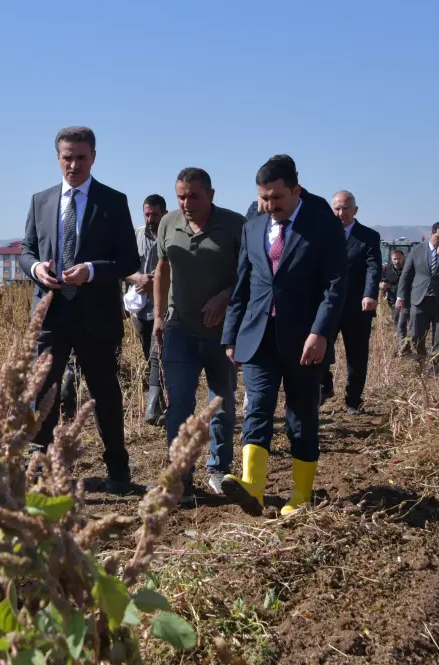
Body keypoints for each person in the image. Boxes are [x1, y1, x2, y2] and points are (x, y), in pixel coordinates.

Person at [19, 126, 142, 495]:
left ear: (94, 157)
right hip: (50, 315)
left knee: (104, 393)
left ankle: (117, 469)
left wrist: (90, 271)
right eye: (67, 157)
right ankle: (40, 467)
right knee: (43, 393)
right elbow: (26, 250)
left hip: (96, 317)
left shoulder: (113, 201)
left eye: (81, 157)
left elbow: (128, 259)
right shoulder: (41, 200)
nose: (73, 164)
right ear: (57, 157)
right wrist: (36, 268)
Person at [221, 155, 345, 517]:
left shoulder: (322, 226)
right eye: (264, 198)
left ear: (296, 189)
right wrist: (231, 335)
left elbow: (335, 286)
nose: (270, 206)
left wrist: (320, 333)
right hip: (259, 335)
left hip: (305, 341)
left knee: (301, 416)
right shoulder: (253, 227)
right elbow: (242, 285)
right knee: (257, 407)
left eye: (277, 198)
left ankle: (301, 496)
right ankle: (253, 488)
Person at [152, 168, 244, 500]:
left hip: (222, 335)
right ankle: (180, 477)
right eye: (181, 196)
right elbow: (161, 270)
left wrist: (226, 296)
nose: (186, 202)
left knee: (221, 404)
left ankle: (219, 470)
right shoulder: (168, 223)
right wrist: (159, 317)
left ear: (211, 194)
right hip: (179, 329)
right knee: (178, 406)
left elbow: (251, 274)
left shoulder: (234, 225)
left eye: (194, 195)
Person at [324, 191, 382, 414]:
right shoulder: (324, 235)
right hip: (328, 304)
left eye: (345, 208)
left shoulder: (368, 236)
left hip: (357, 306)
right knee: (320, 347)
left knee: (356, 355)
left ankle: (353, 400)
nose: (341, 213)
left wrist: (370, 294)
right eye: (337, 208)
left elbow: (373, 267)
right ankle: (324, 385)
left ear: (355, 210)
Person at [396, 222, 439, 373]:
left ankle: (434, 370)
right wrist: (400, 296)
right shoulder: (417, 250)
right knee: (416, 335)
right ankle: (419, 364)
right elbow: (406, 275)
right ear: (431, 234)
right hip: (420, 300)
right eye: (438, 237)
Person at [126, 194, 168, 425]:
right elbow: (125, 268)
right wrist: (138, 278)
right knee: (149, 352)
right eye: (147, 214)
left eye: (155, 214)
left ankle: (152, 405)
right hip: (141, 309)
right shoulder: (136, 236)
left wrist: (157, 281)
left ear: (164, 213)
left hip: (165, 307)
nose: (150, 218)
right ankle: (159, 399)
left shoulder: (171, 235)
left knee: (156, 352)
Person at [381, 248, 409, 350]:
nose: (397, 261)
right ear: (391, 259)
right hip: (393, 302)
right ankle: (403, 345)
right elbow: (380, 282)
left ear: (403, 258)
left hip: (408, 301)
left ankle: (405, 345)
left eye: (399, 259)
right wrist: (382, 286)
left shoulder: (409, 269)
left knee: (404, 324)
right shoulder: (386, 270)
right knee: (398, 323)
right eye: (395, 259)